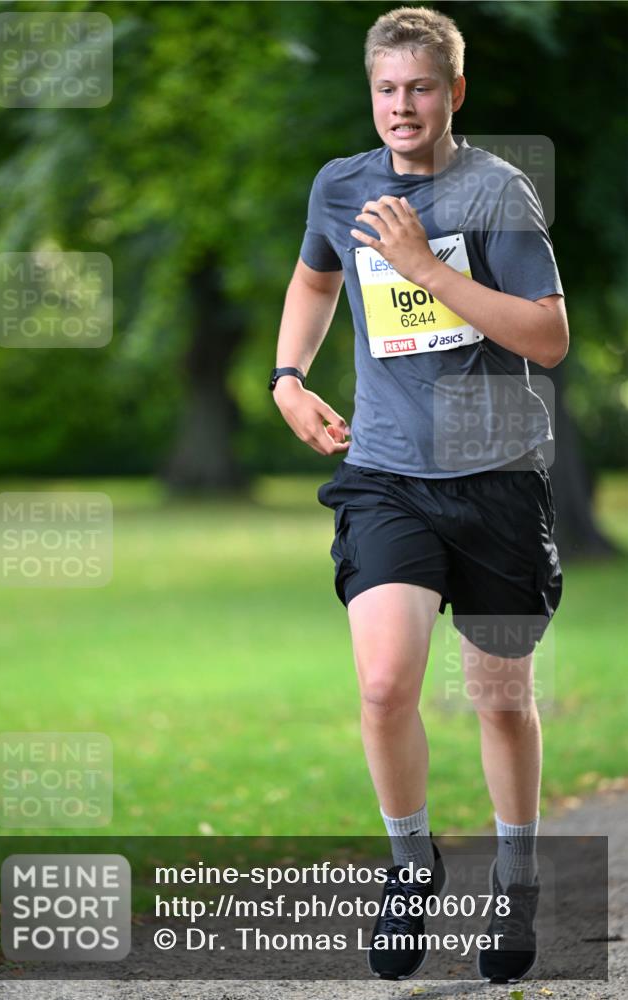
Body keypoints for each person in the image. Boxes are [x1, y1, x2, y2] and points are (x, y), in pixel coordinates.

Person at [269, 5, 567, 985]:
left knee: (496, 696)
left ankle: (515, 875)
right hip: (386, 474)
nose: (403, 105)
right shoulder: (340, 185)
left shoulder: (497, 192)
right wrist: (287, 378)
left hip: (494, 479)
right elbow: (315, 282)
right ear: (372, 92)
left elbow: (546, 337)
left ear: (454, 92)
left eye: (422, 87)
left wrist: (425, 267)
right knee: (386, 683)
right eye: (388, 89)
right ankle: (409, 865)